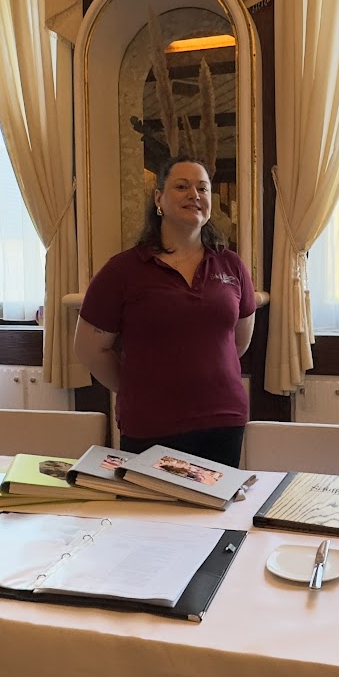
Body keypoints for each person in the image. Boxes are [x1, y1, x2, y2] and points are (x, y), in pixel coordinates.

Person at [74, 154, 256, 467]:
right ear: (159, 198)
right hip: (150, 425)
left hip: (223, 422)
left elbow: (237, 343)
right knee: (151, 502)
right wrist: (136, 388)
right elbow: (89, 350)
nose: (194, 195)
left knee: (218, 502)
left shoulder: (232, 265)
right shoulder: (122, 271)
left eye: (202, 188)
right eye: (182, 186)